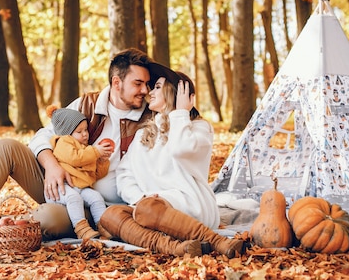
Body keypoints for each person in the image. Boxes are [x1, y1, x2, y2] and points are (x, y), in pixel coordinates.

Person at [0, 48, 155, 248]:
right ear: (116, 82)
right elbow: (42, 136)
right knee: (7, 147)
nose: (145, 90)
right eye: (138, 83)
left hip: (101, 208)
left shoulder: (150, 118)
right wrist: (51, 165)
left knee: (47, 220)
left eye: (147, 84)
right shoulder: (86, 104)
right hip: (61, 188)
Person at [99, 70, 245, 258]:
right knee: (109, 215)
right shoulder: (143, 134)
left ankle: (218, 241)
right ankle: (174, 248)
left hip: (190, 203)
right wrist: (140, 197)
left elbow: (180, 149)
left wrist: (180, 113)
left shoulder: (199, 127)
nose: (150, 92)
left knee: (147, 210)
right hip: (151, 208)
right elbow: (124, 174)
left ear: (176, 93)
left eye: (157, 87)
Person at [44, 105, 113, 239]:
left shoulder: (86, 149)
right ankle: (81, 229)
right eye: (79, 131)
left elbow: (97, 174)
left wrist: (102, 161)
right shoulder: (63, 142)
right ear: (67, 132)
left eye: (86, 129)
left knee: (96, 197)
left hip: (80, 187)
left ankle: (103, 225)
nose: (85, 134)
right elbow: (75, 158)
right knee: (73, 198)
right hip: (61, 187)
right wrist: (95, 151)